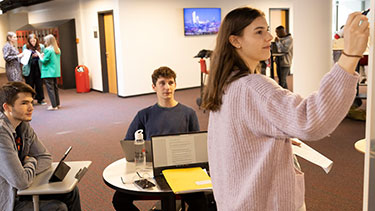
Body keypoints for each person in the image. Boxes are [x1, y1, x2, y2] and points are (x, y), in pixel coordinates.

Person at [201, 7, 368, 211]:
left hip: (235, 201)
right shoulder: (253, 87)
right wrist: (350, 56)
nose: (269, 37)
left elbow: (239, 142)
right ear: (236, 41)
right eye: (259, 32)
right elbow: (311, 120)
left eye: (267, 30)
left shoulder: (224, 85)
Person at [112, 66, 210, 211]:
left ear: (175, 85)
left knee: (201, 203)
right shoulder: (144, 115)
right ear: (154, 87)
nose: (167, 87)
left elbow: (196, 148)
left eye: (170, 83)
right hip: (152, 171)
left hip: (182, 171)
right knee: (119, 200)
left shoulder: (189, 114)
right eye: (162, 83)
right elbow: (129, 145)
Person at [0, 81, 81, 211]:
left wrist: (25, 170)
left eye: (31, 102)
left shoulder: (23, 125)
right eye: (24, 103)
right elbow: (21, 181)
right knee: (58, 208)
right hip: (7, 199)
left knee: (70, 192)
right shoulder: (1, 133)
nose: (31, 107)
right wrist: (31, 161)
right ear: (7, 107)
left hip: (20, 189)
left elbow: (45, 157)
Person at [38, 34, 61, 111]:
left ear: (48, 41)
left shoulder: (47, 49)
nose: (44, 42)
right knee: (55, 88)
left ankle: (54, 106)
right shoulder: (57, 49)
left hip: (48, 72)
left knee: (50, 89)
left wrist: (40, 57)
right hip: (55, 72)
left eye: (45, 40)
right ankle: (57, 104)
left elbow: (44, 61)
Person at [22, 34, 46, 105]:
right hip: (29, 67)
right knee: (29, 85)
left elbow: (44, 55)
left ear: (36, 40)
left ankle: (40, 99)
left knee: (39, 84)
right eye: (31, 41)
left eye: (34, 41)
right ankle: (30, 100)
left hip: (38, 67)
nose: (33, 42)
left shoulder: (41, 46)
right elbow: (24, 57)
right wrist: (31, 56)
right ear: (29, 41)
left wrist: (39, 55)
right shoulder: (25, 47)